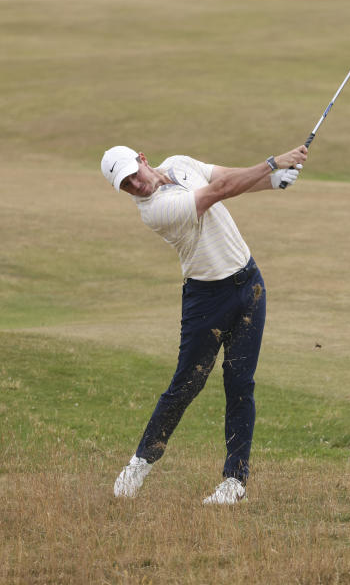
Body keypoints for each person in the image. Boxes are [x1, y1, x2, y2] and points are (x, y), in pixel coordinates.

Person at [100, 143, 307, 504]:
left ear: (143, 159)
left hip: (249, 284)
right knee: (186, 384)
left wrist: (271, 181)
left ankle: (234, 482)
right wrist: (273, 163)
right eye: (126, 186)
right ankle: (139, 464)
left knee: (241, 383)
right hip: (206, 297)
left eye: (134, 174)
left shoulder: (180, 164)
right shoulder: (155, 211)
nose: (136, 185)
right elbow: (218, 192)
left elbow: (224, 176)